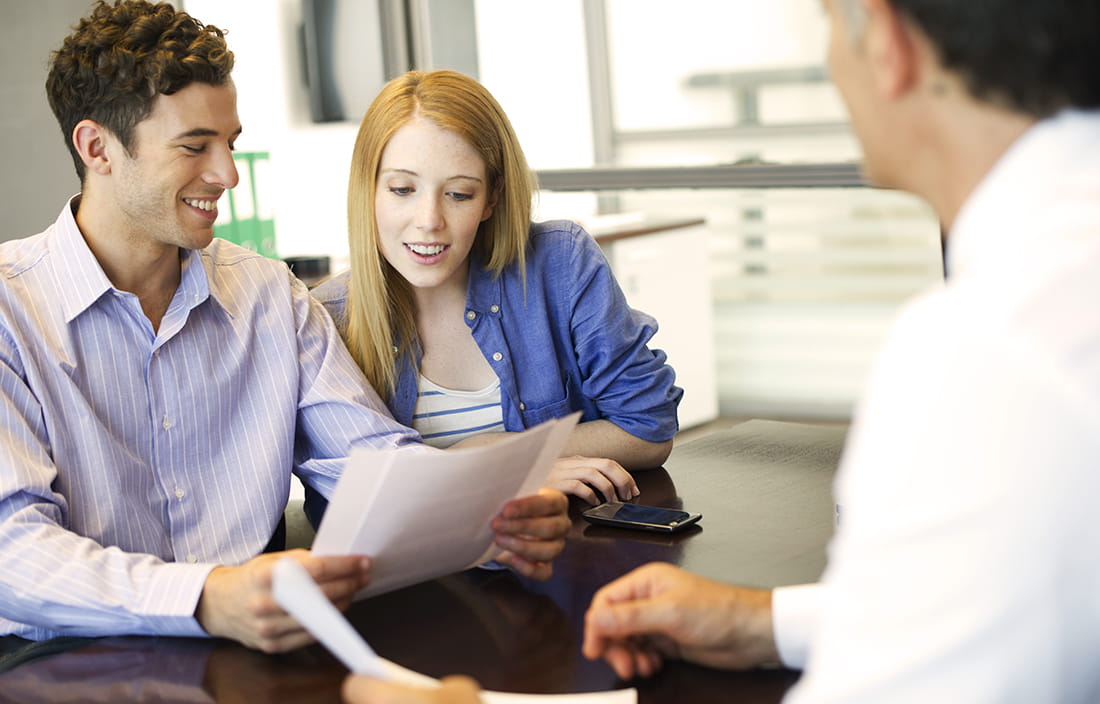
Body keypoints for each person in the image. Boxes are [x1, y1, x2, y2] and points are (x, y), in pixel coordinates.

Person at [343, 0, 1100, 701]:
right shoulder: (1039, 298)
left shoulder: (985, 350)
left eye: (827, 25)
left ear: (889, 44)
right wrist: (761, 620)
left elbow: (897, 673)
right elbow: (954, 605)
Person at [0, 0, 568, 655]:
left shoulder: (270, 296)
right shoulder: (12, 313)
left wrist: (486, 522)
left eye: (229, 144)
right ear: (97, 147)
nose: (227, 174)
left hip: (256, 657)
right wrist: (207, 597)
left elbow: (372, 465)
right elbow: (14, 554)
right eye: (195, 147)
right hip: (62, 666)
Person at [307, 69, 682, 523]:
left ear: (491, 199)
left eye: (459, 194)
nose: (429, 220)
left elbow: (648, 427)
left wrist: (500, 449)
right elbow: (343, 498)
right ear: (367, 191)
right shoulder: (324, 319)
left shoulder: (559, 264)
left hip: (568, 556)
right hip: (420, 578)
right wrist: (495, 470)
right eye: (403, 189)